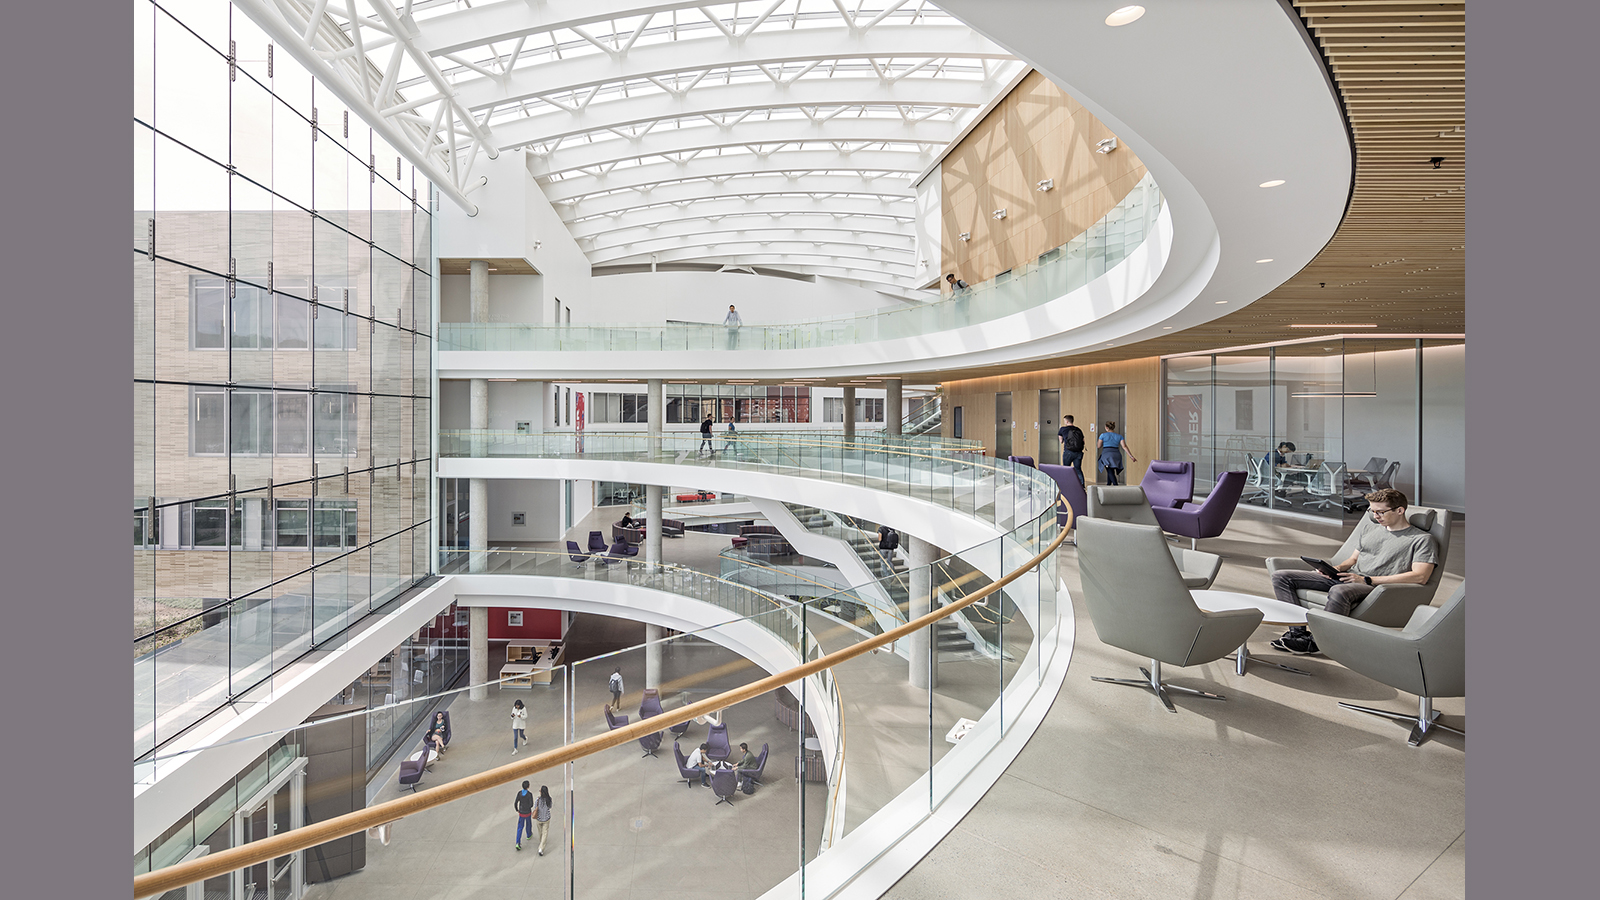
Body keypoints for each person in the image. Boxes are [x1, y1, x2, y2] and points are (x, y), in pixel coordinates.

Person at [1268, 488, 1438, 655]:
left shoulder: (1421, 540)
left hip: (1375, 585)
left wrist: (1367, 580)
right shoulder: (1371, 530)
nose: (1375, 516)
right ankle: (1298, 635)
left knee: (1339, 590)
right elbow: (1354, 559)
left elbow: (1420, 576)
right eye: (1372, 511)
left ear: (1400, 510)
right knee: (1281, 577)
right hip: (1351, 577)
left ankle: (1318, 642)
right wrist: (1336, 569)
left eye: (1380, 512)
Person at [1096, 420, 1136, 485]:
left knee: (1109, 471)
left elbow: (1098, 446)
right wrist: (1131, 456)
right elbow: (1124, 447)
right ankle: (1108, 485)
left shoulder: (1103, 435)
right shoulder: (1119, 436)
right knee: (1111, 470)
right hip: (1116, 454)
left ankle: (1116, 485)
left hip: (1107, 454)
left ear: (1106, 427)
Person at [1057, 415, 1086, 487]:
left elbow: (1061, 441)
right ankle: (1082, 485)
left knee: (1066, 468)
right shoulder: (1079, 430)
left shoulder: (1062, 429)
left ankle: (1066, 485)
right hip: (1078, 452)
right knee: (1078, 469)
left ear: (1066, 421)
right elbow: (1083, 441)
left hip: (1068, 452)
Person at [513, 781, 535, 851]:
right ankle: (529, 834)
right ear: (528, 786)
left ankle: (517, 842)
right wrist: (527, 807)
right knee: (528, 824)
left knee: (520, 827)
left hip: (521, 813)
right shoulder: (529, 794)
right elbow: (531, 804)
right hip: (527, 812)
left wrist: (517, 809)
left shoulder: (519, 793)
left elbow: (516, 802)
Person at [533, 785, 554, 856]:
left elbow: (535, 807)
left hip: (539, 819)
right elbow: (550, 806)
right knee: (544, 833)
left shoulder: (538, 800)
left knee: (540, 832)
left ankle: (541, 845)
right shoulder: (549, 799)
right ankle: (541, 846)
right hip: (546, 819)